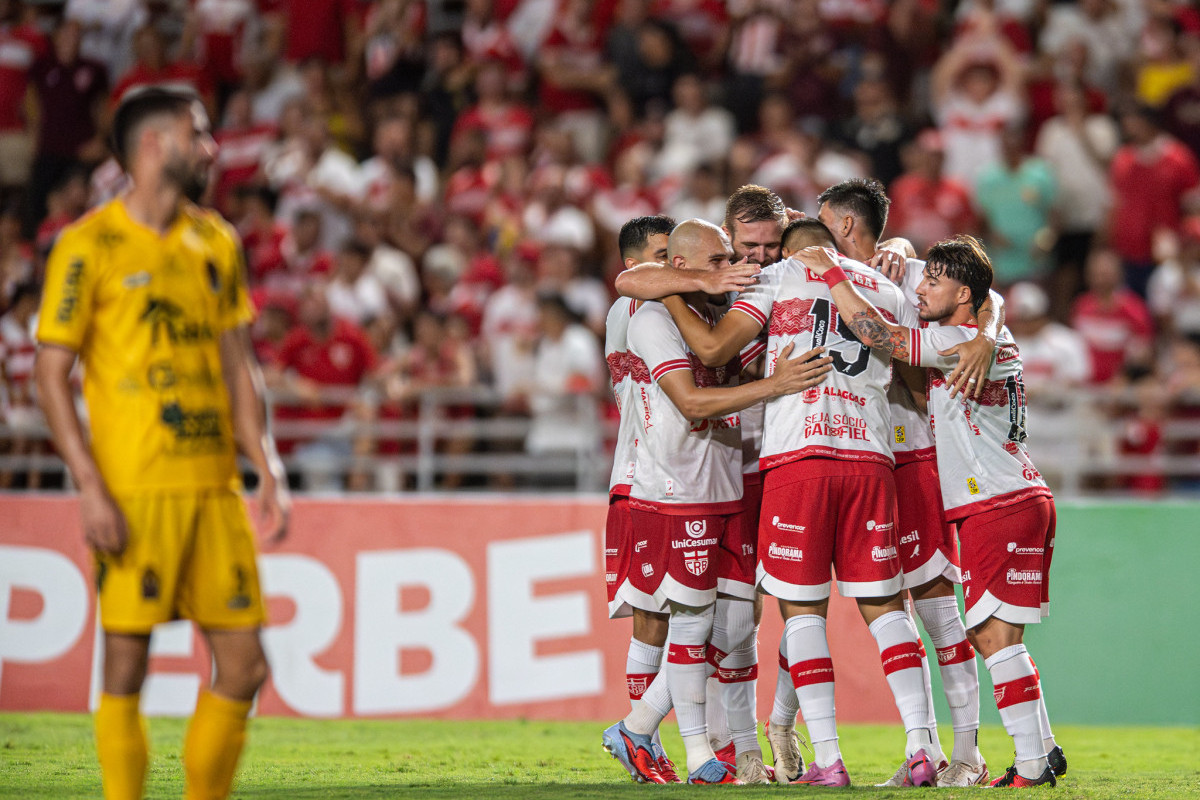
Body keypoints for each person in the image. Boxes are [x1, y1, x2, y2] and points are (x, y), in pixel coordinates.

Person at [33, 86, 289, 800]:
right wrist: (89, 485)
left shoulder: (217, 240)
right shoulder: (88, 245)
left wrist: (266, 463)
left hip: (213, 490)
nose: (211, 148)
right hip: (134, 489)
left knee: (243, 667)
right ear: (155, 145)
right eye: (199, 134)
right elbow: (49, 374)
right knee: (126, 667)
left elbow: (239, 363)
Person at [663, 217, 938, 788]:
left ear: (790, 251)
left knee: (802, 612)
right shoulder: (885, 286)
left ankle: (830, 760)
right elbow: (914, 373)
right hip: (871, 457)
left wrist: (672, 291)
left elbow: (714, 346)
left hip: (799, 459)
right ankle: (921, 746)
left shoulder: (774, 280)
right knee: (886, 608)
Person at [797, 234, 1067, 787]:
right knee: (999, 636)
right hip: (1017, 495)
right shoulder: (990, 333)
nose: (920, 289)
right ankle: (1042, 750)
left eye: (934, 282)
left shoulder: (952, 338)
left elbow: (879, 337)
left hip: (998, 500)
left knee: (993, 639)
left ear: (964, 294)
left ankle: (1033, 768)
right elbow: (992, 302)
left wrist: (829, 273)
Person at [602, 218, 831, 786]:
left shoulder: (715, 306)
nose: (734, 265)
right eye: (725, 257)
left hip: (725, 480)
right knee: (669, 621)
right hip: (664, 484)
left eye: (742, 255)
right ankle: (693, 748)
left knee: (722, 628)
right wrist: (775, 384)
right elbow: (690, 397)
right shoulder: (647, 313)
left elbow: (730, 357)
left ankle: (648, 729)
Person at [815, 178, 994, 786]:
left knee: (940, 612)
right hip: (857, 460)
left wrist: (989, 338)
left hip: (912, 456)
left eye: (820, 221)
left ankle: (966, 753)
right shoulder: (810, 269)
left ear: (844, 225)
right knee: (850, 607)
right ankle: (921, 749)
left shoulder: (907, 266)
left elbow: (989, 298)